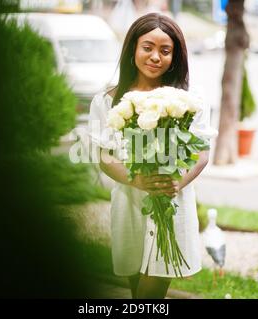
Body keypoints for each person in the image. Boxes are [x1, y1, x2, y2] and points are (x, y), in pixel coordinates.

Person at [87, 12, 217, 299]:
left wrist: (177, 182)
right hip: (129, 202)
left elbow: (202, 152)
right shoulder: (106, 101)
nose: (155, 56)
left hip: (173, 201)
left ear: (176, 55)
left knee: (154, 286)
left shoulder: (190, 99)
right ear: (133, 48)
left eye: (165, 50)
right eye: (148, 47)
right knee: (136, 284)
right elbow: (104, 156)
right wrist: (137, 181)